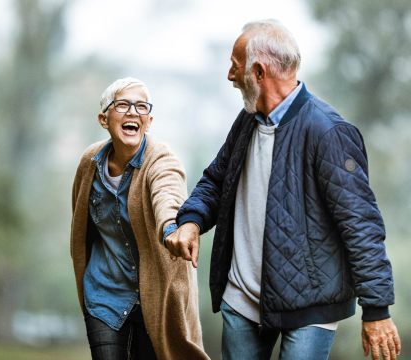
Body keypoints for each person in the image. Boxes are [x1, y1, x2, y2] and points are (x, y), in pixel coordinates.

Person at [165, 20, 401, 360]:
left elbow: (361, 225)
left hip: (311, 308)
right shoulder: (247, 120)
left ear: (259, 72)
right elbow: (217, 180)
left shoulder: (329, 132)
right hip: (241, 301)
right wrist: (191, 221)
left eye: (235, 67)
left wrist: (377, 310)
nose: (230, 77)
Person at [70, 78, 209, 360]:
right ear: (104, 118)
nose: (133, 112)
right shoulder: (90, 163)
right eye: (122, 105)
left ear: (149, 120)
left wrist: (172, 228)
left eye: (141, 106)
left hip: (154, 295)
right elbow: (81, 226)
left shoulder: (161, 159)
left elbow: (168, 196)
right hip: (103, 292)